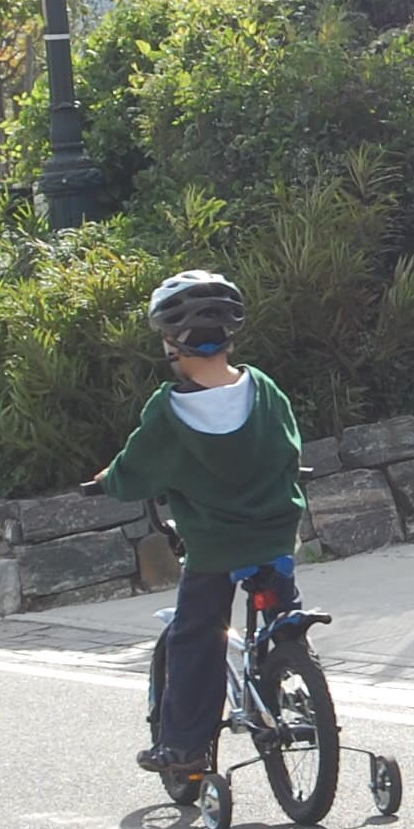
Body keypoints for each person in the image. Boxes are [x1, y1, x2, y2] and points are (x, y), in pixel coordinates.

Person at [95, 270, 306, 774]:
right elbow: (289, 448)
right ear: (230, 335)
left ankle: (184, 747)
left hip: (215, 547)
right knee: (283, 617)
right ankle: (296, 678)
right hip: (275, 534)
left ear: (173, 344)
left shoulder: (170, 411)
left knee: (196, 636)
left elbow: (133, 472)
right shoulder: (264, 389)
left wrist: (109, 480)